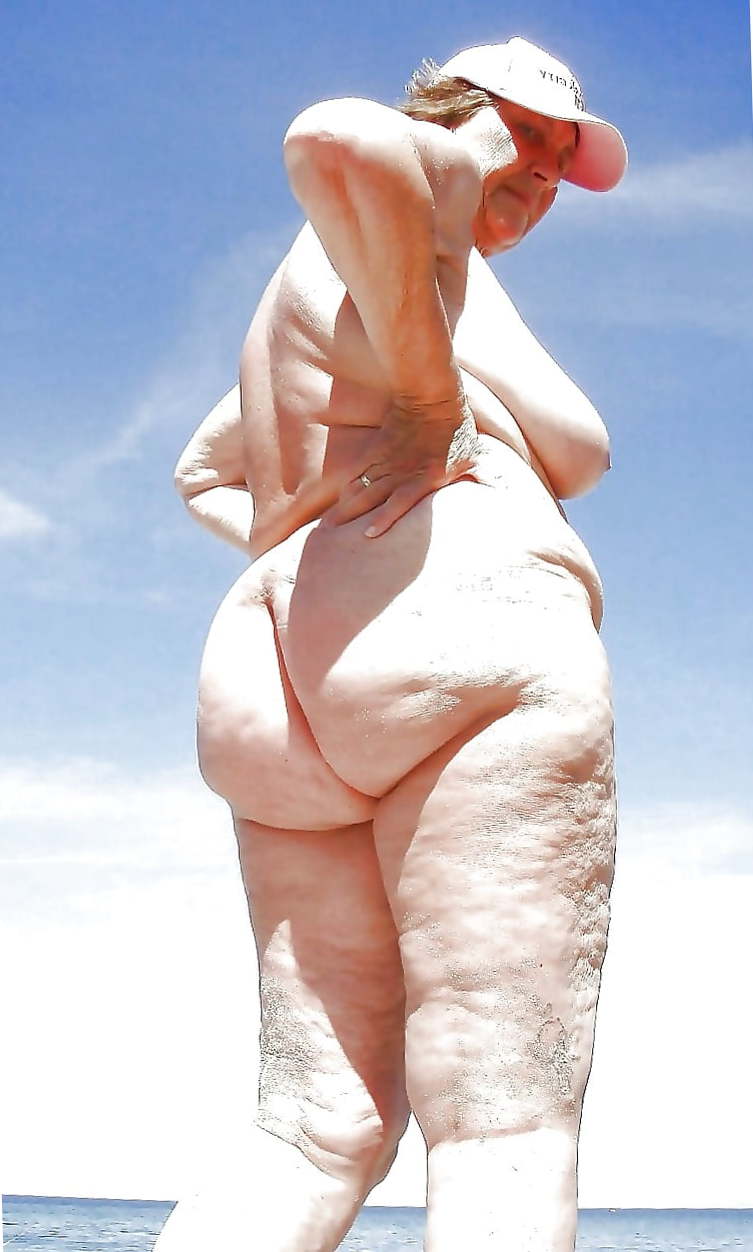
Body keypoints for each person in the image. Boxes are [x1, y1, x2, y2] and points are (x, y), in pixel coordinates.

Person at [159, 36, 627, 1252]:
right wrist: (429, 402)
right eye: (529, 133)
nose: (542, 172)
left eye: (562, 161)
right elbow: (337, 134)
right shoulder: (429, 191)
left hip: (278, 670)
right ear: (457, 109)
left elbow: (200, 471)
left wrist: (312, 538)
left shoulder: (350, 280)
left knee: (311, 1129)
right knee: (502, 1122)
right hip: (465, 641)